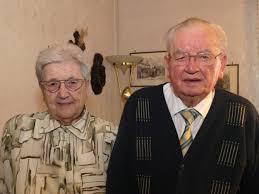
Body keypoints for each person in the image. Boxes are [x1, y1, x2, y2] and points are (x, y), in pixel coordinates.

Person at [106, 17, 259, 194]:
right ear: (167, 64)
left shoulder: (243, 114)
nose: (191, 67)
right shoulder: (139, 105)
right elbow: (119, 182)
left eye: (204, 56)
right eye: (181, 56)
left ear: (222, 65)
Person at [0, 43, 117, 194]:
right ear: (42, 90)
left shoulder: (111, 137)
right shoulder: (17, 130)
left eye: (72, 83)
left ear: (86, 87)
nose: (62, 93)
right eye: (53, 84)